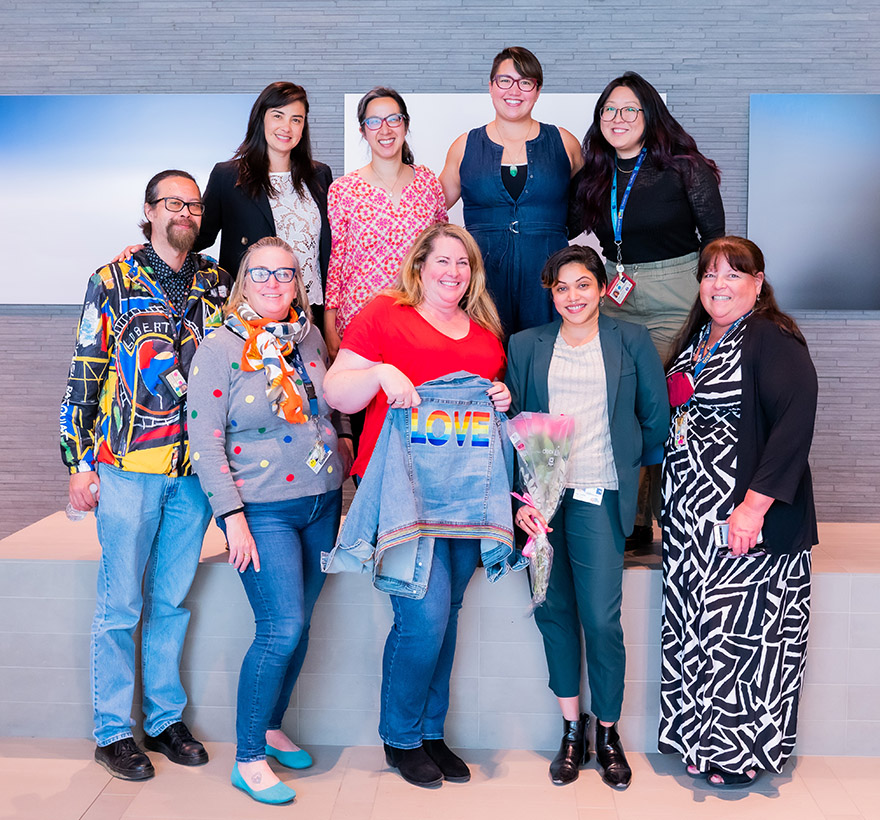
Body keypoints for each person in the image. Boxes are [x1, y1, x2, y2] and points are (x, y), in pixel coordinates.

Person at [323, 223, 510, 787]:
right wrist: (380, 372)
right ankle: (400, 737)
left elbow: (489, 420)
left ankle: (430, 732)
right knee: (422, 618)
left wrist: (500, 397)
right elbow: (337, 390)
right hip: (400, 494)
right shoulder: (384, 314)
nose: (453, 272)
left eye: (463, 264)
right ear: (420, 265)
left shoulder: (485, 335)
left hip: (463, 497)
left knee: (447, 619)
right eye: (443, 261)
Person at [60, 170, 231, 781]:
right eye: (173, 203)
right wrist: (77, 459)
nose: (184, 211)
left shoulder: (217, 283)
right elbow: (86, 368)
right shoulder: (111, 280)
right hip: (127, 467)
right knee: (120, 603)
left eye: (193, 203)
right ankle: (112, 732)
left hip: (195, 472)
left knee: (171, 601)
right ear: (149, 210)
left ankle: (162, 720)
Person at [188, 237, 349, 805]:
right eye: (261, 274)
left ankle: (272, 725)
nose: (275, 284)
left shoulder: (306, 337)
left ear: (298, 282)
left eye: (286, 274)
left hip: (322, 501)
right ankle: (248, 757)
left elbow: (326, 408)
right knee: (280, 628)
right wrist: (231, 519)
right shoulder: (220, 347)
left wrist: (345, 469)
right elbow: (204, 443)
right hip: (262, 512)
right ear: (243, 282)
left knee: (300, 623)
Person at [506, 245, 668, 789]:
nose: (572, 296)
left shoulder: (631, 341)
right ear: (550, 294)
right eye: (561, 287)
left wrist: (626, 469)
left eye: (582, 285)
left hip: (600, 493)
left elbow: (655, 421)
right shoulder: (526, 345)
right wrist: (520, 503)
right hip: (542, 502)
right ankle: (570, 730)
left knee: (600, 619)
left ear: (601, 288)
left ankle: (609, 731)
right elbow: (514, 428)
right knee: (553, 612)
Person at [659, 236, 818, 789]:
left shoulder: (772, 338)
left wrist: (752, 508)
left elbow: (794, 426)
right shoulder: (698, 338)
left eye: (733, 274)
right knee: (693, 632)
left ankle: (740, 751)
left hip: (746, 519)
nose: (718, 284)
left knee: (743, 637)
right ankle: (698, 739)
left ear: (757, 283)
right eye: (709, 274)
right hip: (690, 521)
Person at [571, 70, 725, 549]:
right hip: (615, 290)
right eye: (609, 110)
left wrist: (719, 306)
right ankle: (631, 520)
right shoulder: (595, 172)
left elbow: (715, 242)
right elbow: (567, 225)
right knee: (616, 403)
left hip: (673, 293)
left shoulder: (685, 168)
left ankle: (655, 518)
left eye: (629, 109)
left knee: (656, 404)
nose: (618, 119)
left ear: (649, 114)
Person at [440, 46, 583, 337]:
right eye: (505, 80)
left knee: (546, 360)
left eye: (525, 82)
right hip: (482, 278)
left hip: (549, 276)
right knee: (486, 361)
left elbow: (593, 200)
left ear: (538, 90)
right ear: (491, 86)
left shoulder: (565, 142)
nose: (514, 90)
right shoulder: (464, 145)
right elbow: (428, 208)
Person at [324, 86, 447, 361]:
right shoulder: (343, 189)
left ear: (405, 124)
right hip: (359, 316)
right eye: (374, 121)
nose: (385, 129)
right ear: (363, 130)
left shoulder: (428, 183)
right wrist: (330, 323)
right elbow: (337, 259)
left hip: (422, 313)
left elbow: (444, 251)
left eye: (394, 119)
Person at [197, 82, 332, 330]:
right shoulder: (227, 176)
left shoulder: (319, 175)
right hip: (252, 312)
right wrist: (147, 250)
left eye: (296, 119)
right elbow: (199, 236)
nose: (286, 127)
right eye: (278, 116)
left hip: (312, 314)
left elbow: (329, 253)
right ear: (261, 119)